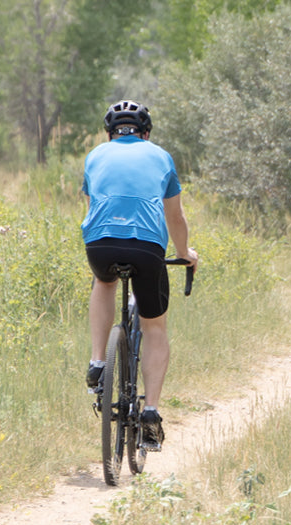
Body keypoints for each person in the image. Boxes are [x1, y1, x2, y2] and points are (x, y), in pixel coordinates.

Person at [81, 100, 199, 450]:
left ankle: (98, 361)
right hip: (146, 247)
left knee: (104, 281)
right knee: (154, 326)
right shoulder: (161, 156)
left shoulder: (95, 156)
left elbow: (92, 206)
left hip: (100, 243)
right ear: (146, 133)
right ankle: (150, 413)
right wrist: (184, 254)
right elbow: (174, 218)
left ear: (109, 133)